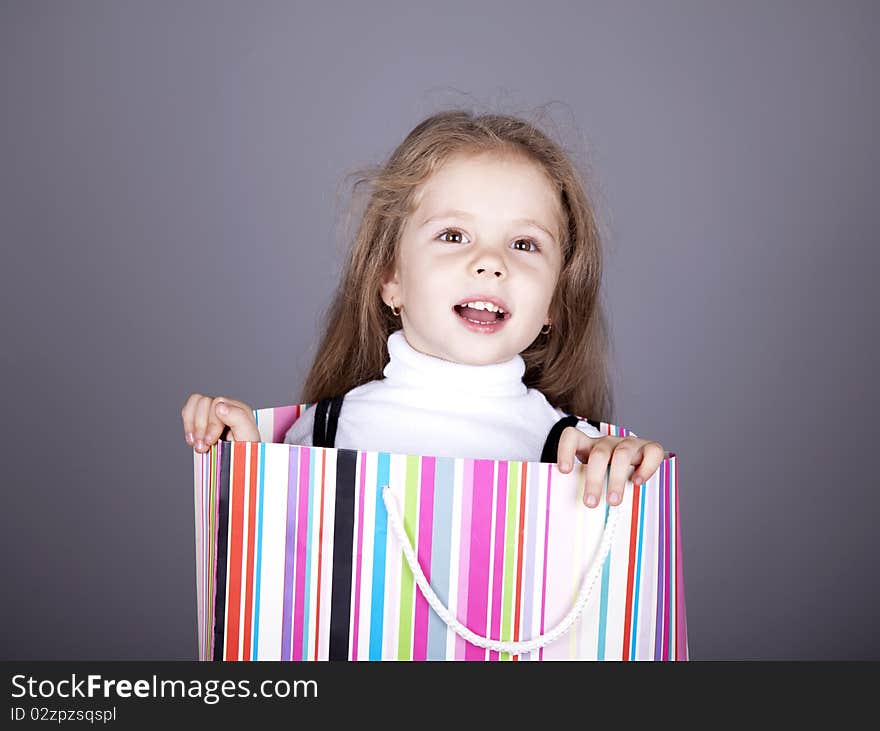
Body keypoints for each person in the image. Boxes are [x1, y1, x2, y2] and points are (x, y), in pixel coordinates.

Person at [181, 109, 667, 509]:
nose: (491, 263)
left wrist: (631, 467)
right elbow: (282, 558)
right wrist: (247, 460)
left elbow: (620, 504)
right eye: (453, 236)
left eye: (524, 243)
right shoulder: (328, 431)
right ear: (391, 280)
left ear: (553, 305)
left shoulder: (575, 450)